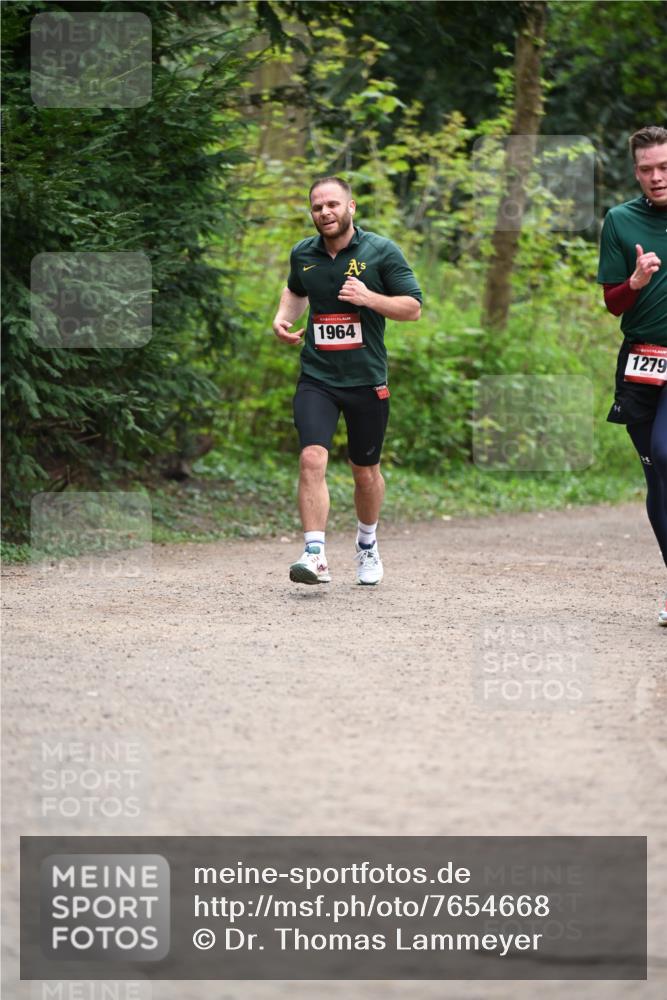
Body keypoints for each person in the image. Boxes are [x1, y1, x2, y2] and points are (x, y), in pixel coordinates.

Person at [272, 177, 422, 586]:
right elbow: (295, 289)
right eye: (317, 207)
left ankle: (367, 543)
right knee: (311, 457)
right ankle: (314, 554)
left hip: (366, 379)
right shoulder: (303, 253)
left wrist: (369, 298)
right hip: (317, 376)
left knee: (365, 471)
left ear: (350, 207)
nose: (325, 212)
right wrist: (283, 318)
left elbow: (412, 308)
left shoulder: (381, 251)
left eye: (333, 205)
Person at [598, 125, 667, 624]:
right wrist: (636, 281)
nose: (656, 176)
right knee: (656, 474)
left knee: (666, 452)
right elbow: (612, 303)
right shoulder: (620, 221)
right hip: (641, 358)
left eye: (664, 167)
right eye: (647, 169)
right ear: (635, 172)